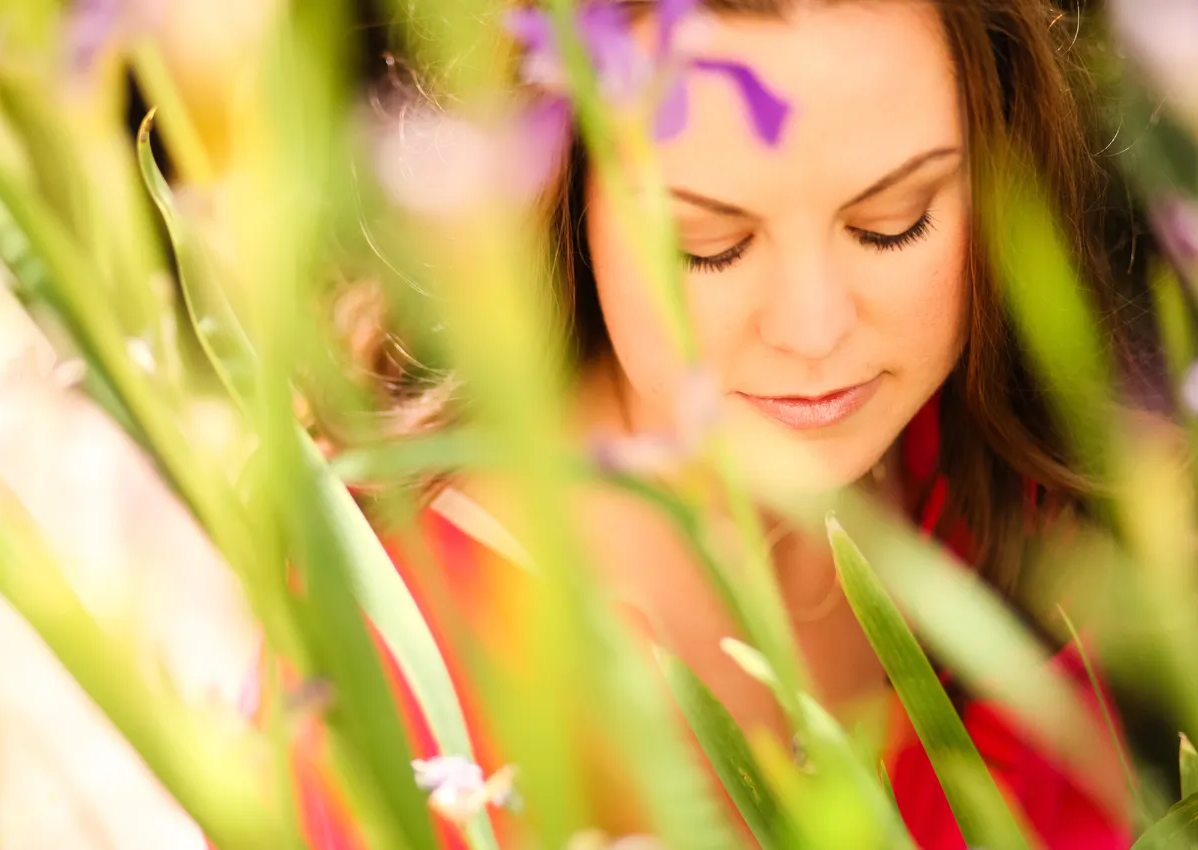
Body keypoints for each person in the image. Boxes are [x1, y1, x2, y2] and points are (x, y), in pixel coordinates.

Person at [253, 1, 1166, 847]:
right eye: (708, 246)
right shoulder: (395, 660)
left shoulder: (982, 458)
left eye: (894, 223)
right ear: (568, 198)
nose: (814, 334)